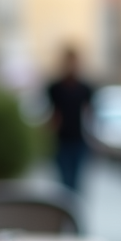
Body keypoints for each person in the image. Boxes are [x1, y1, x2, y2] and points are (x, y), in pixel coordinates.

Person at [47, 47, 95, 192]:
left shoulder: (85, 88)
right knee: (64, 182)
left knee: (76, 182)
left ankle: (74, 211)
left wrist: (92, 137)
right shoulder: (55, 88)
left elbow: (89, 114)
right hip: (62, 141)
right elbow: (54, 115)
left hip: (79, 141)